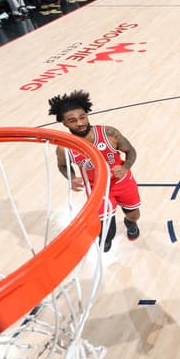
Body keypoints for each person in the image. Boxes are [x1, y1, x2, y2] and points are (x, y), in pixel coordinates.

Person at [49, 90, 141, 252]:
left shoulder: (109, 133)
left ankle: (130, 223)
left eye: (82, 117)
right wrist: (71, 177)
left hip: (121, 182)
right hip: (97, 188)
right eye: (72, 120)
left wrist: (125, 167)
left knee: (134, 214)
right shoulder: (64, 148)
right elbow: (63, 166)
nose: (80, 123)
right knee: (107, 228)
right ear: (64, 123)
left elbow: (131, 151)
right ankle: (106, 239)